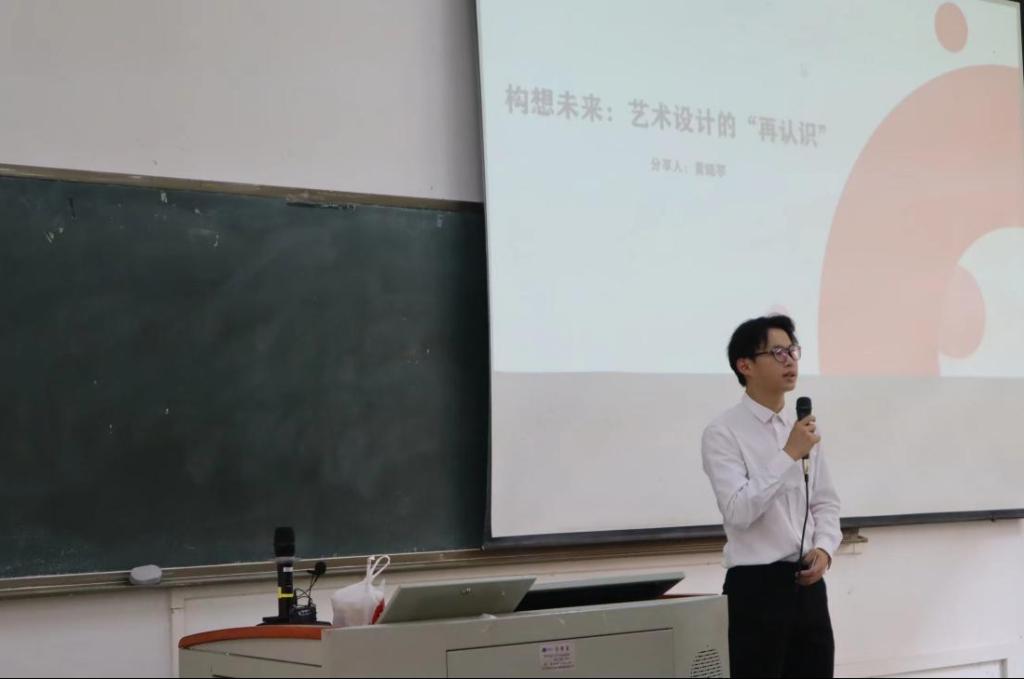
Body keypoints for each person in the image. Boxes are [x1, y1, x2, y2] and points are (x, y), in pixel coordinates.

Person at [701, 315, 841, 678]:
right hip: (756, 590)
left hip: (808, 587)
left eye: (793, 350)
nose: (790, 360)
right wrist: (788, 454)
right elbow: (738, 510)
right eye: (777, 352)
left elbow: (825, 501)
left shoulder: (802, 428)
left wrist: (825, 548)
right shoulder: (723, 432)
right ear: (745, 366)